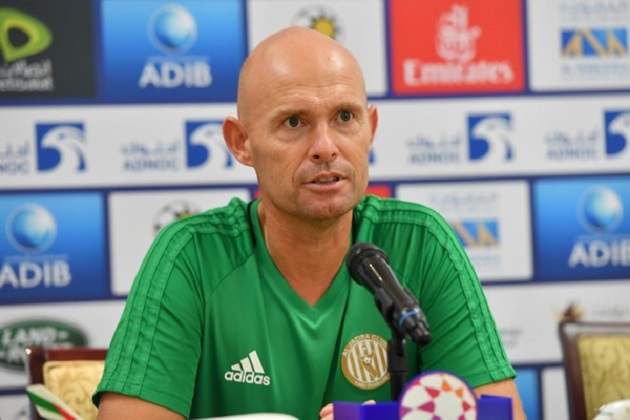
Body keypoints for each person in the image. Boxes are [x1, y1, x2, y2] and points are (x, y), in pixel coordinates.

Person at [93, 26, 526, 420]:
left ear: (370, 129)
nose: (325, 147)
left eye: (345, 117)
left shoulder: (420, 243)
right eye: (294, 122)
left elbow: (496, 412)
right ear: (241, 143)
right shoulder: (191, 257)